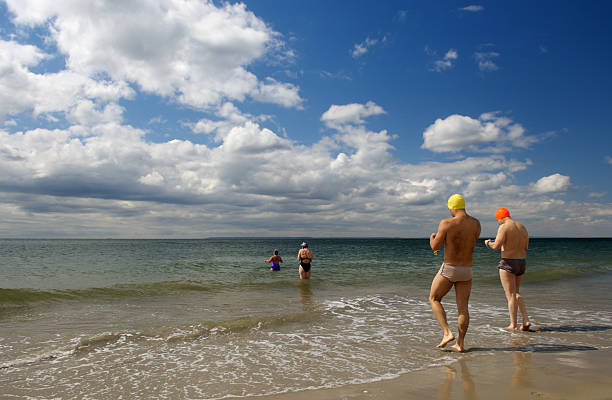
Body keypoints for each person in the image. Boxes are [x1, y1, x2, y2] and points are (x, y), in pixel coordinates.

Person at [429, 194, 481, 352]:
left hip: (450, 268)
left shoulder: (446, 223)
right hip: (467, 270)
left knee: (434, 298)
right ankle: (460, 343)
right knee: (463, 308)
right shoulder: (476, 224)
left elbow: (435, 247)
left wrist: (432, 238)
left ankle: (446, 332)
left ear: (452, 207)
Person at [485, 207, 531, 331]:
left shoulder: (504, 227)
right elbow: (526, 246)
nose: (498, 223)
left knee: (510, 295)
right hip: (521, 262)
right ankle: (525, 319)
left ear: (500, 218)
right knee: (516, 292)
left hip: (508, 262)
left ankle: (513, 325)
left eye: (497, 220)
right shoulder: (522, 227)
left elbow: (496, 246)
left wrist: (488, 243)